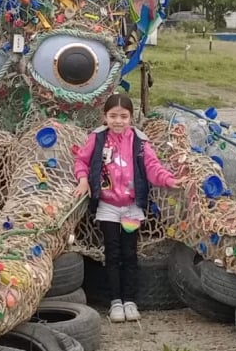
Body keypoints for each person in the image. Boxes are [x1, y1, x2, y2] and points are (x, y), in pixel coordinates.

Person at [73, 94, 181, 323]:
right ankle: (115, 302)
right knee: (112, 253)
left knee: (129, 253)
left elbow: (152, 166)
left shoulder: (140, 142)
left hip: (131, 208)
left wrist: (168, 180)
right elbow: (81, 160)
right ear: (105, 117)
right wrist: (83, 180)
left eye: (124, 116)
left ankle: (130, 301)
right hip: (108, 207)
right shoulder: (98, 138)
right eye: (113, 116)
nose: (118, 121)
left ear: (131, 118)